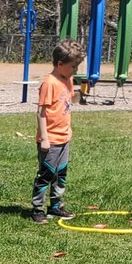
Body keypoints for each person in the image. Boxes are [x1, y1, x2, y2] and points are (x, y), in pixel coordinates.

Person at [30, 40, 84, 225]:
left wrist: (79, 94)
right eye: (73, 66)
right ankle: (37, 209)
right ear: (60, 64)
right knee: (46, 174)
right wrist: (44, 138)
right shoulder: (49, 83)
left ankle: (56, 206)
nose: (75, 70)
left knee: (61, 174)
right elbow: (41, 112)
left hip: (64, 137)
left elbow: (69, 101)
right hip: (50, 139)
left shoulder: (67, 79)